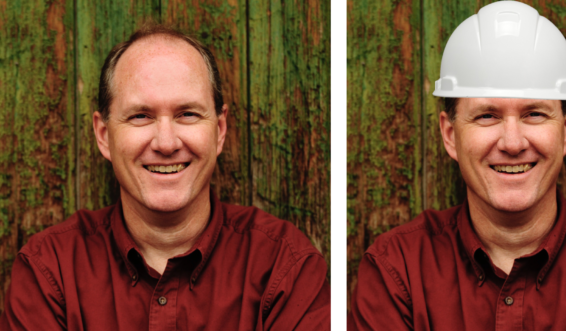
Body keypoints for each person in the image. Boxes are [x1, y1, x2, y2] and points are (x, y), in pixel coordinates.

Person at [346, 1, 566, 330]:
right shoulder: (396, 272)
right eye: (487, 116)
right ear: (449, 135)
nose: (513, 142)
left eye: (534, 114)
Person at [0, 24, 332, 330]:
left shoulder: (284, 267)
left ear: (219, 130)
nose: (166, 143)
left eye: (187, 114)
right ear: (103, 135)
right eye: (140, 116)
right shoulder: (49, 271)